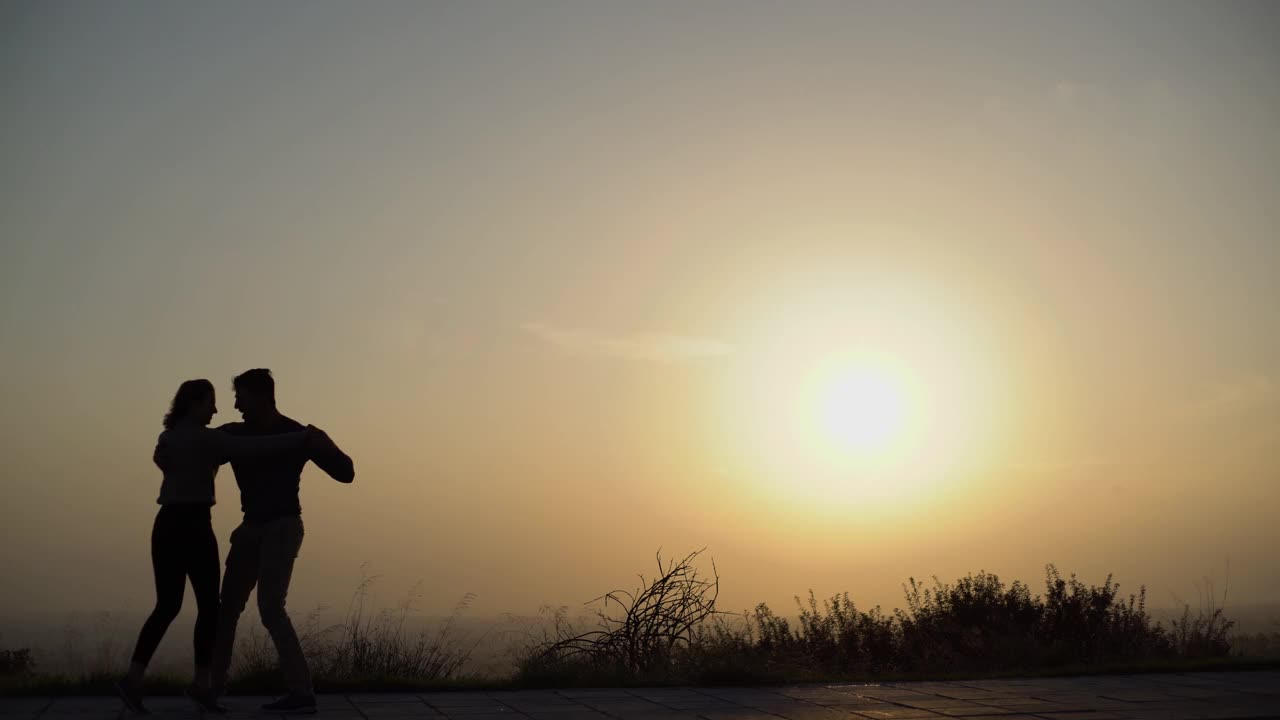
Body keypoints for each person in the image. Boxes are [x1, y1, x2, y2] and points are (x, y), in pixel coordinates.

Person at [118, 379, 316, 715]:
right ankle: (202, 685)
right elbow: (257, 448)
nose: (216, 409)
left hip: (166, 525)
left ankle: (134, 679)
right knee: (210, 608)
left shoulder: (167, 438)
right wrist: (304, 437)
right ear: (195, 403)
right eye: (210, 402)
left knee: (167, 606)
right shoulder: (210, 440)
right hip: (195, 527)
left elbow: (167, 460)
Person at [208, 369, 355, 714]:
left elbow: (346, 472)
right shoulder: (234, 434)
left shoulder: (297, 434)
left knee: (270, 608)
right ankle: (212, 689)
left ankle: (301, 692)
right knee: (226, 608)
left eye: (240, 397)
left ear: (261, 397)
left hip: (282, 528)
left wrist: (325, 444)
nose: (235, 404)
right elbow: (199, 450)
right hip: (249, 529)